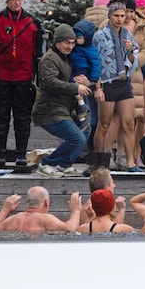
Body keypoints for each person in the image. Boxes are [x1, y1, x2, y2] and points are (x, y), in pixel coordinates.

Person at [0, 0, 43, 168]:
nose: (17, 2)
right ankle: (0, 153)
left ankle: (20, 154)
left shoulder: (33, 23)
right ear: (7, 1)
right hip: (1, 76)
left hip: (24, 77)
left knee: (22, 118)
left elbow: (38, 53)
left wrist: (38, 78)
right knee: (0, 117)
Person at [32, 23, 92, 177]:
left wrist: (85, 82)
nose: (70, 46)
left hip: (63, 109)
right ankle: (47, 164)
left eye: (72, 43)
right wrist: (75, 88)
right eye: (67, 42)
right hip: (49, 110)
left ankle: (65, 164)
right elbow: (49, 82)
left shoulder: (65, 59)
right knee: (77, 138)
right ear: (57, 42)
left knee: (85, 131)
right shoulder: (49, 59)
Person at [93, 0, 142, 172]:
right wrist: (97, 87)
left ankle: (130, 162)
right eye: (117, 16)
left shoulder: (127, 35)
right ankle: (98, 161)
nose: (120, 19)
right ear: (110, 16)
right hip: (108, 83)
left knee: (129, 122)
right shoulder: (100, 36)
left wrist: (129, 51)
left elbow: (133, 60)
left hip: (123, 82)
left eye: (122, 16)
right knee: (104, 124)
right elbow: (96, 62)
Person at [70, 19, 103, 175]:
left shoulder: (91, 50)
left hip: (87, 87)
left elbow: (96, 66)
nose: (79, 40)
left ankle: (91, 156)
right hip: (74, 86)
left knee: (90, 120)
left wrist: (92, 81)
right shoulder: (73, 49)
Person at [0, 186, 81, 234]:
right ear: (46, 202)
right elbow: (71, 229)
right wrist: (76, 211)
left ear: (26, 202)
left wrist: (5, 210)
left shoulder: (12, 220)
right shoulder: (45, 219)